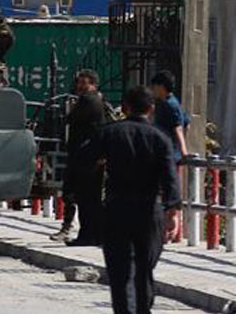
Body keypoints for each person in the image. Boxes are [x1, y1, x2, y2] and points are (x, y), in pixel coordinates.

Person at [87, 86, 182, 314]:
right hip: (150, 211)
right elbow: (170, 178)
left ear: (126, 108)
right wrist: (173, 212)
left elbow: (83, 158)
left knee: (120, 273)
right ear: (151, 109)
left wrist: (100, 162)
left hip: (116, 209)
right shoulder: (160, 138)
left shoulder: (110, 132)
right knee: (144, 269)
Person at [52, 69, 110, 246]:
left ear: (93, 84)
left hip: (86, 157)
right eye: (79, 83)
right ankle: (93, 234)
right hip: (88, 156)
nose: (80, 87)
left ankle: (87, 236)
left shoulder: (89, 100)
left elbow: (71, 118)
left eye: (84, 83)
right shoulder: (95, 100)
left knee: (86, 199)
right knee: (88, 198)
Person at [149, 71, 188, 171]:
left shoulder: (170, 105)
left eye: (154, 87)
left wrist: (183, 151)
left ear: (161, 87)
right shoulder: (167, 103)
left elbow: (178, 127)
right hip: (166, 150)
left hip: (170, 153)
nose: (153, 90)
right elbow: (186, 122)